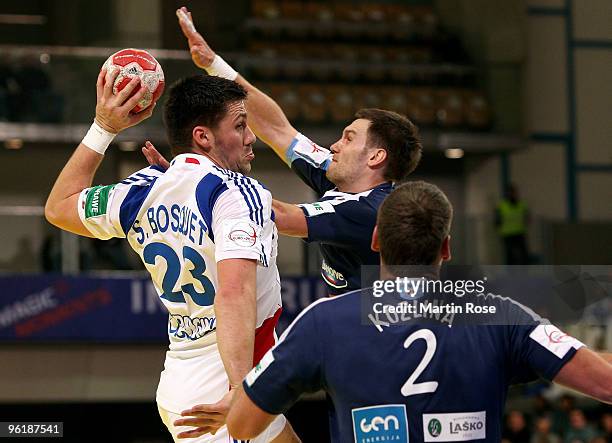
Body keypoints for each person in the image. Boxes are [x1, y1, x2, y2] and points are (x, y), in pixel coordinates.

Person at [224, 181, 612, 442]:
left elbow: (242, 425)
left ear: (376, 240)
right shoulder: (502, 315)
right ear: (445, 248)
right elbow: (605, 383)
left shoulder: (321, 322)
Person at [45, 69, 298, 442]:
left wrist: (104, 127)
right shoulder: (240, 193)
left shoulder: (143, 189)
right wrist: (239, 390)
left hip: (181, 377)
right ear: (203, 136)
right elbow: (233, 293)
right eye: (241, 125)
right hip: (225, 385)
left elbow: (58, 207)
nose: (251, 137)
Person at [172, 7, 423, 295]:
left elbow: (279, 214)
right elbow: (277, 129)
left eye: (349, 139)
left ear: (376, 157)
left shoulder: (369, 210)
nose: (334, 146)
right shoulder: (342, 177)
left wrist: (189, 178)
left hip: (377, 328)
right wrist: (214, 64)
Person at [495, 184, 530, 265]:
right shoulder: (502, 206)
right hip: (507, 234)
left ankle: (525, 273)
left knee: (524, 254)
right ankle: (510, 274)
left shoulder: (522, 205)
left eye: (513, 192)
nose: (512, 194)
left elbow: (527, 217)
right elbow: (497, 220)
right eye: (510, 193)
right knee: (510, 256)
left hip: (520, 232)